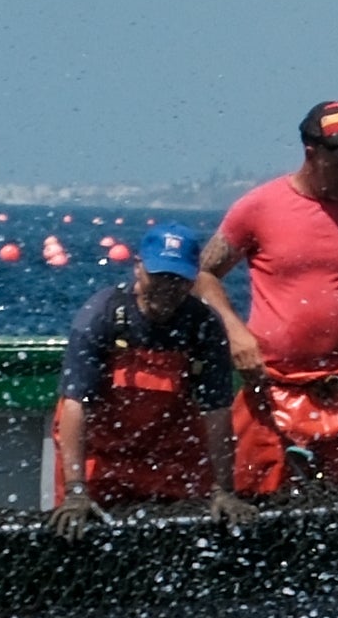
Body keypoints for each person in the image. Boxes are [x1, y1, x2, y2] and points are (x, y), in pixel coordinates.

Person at [194, 101, 338, 495]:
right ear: (312, 153)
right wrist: (235, 332)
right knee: (258, 506)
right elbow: (205, 274)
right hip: (275, 389)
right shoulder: (258, 207)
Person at [49, 223, 255, 535]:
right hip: (101, 463)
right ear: (138, 269)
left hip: (170, 462)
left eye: (178, 279)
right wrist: (77, 489)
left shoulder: (203, 326)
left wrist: (224, 489)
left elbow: (217, 411)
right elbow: (75, 405)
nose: (167, 288)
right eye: (159, 276)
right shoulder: (103, 315)